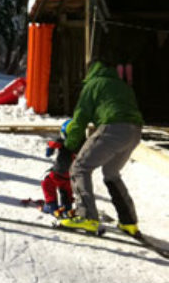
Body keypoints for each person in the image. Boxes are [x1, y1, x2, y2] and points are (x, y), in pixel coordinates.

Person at [58, 60, 145, 236]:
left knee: (80, 167)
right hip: (134, 132)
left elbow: (80, 117)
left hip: (113, 128)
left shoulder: (93, 84)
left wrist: (69, 146)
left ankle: (87, 217)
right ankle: (129, 222)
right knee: (111, 174)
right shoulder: (121, 85)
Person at [40, 119, 75, 214]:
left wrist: (50, 149)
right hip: (72, 175)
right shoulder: (83, 143)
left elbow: (54, 143)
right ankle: (67, 207)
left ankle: (51, 205)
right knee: (66, 189)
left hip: (59, 172)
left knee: (46, 181)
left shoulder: (63, 141)